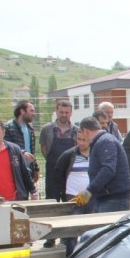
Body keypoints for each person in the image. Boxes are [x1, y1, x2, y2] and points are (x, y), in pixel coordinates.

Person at [72, 117, 130, 212]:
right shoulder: (103, 141)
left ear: (86, 131)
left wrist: (88, 191)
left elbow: (108, 169)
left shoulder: (105, 141)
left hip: (113, 199)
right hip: (108, 197)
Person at [39, 100, 78, 247]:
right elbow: (44, 148)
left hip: (70, 173)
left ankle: (66, 235)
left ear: (71, 113)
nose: (64, 115)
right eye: (61, 112)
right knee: (52, 205)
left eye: (67, 112)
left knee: (68, 205)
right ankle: (51, 237)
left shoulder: (76, 130)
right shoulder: (47, 129)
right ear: (56, 111)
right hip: (52, 172)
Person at [54, 129, 93, 256]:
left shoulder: (96, 154)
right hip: (74, 197)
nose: (81, 143)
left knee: (91, 229)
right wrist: (62, 194)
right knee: (73, 231)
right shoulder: (69, 155)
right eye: (79, 139)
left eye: (84, 140)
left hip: (92, 197)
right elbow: (58, 175)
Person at [4, 100, 40, 182]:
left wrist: (35, 169)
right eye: (31, 111)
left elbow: (31, 152)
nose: (34, 114)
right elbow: (7, 148)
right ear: (22, 111)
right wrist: (22, 153)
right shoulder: (8, 128)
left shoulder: (30, 130)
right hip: (14, 172)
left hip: (28, 172)